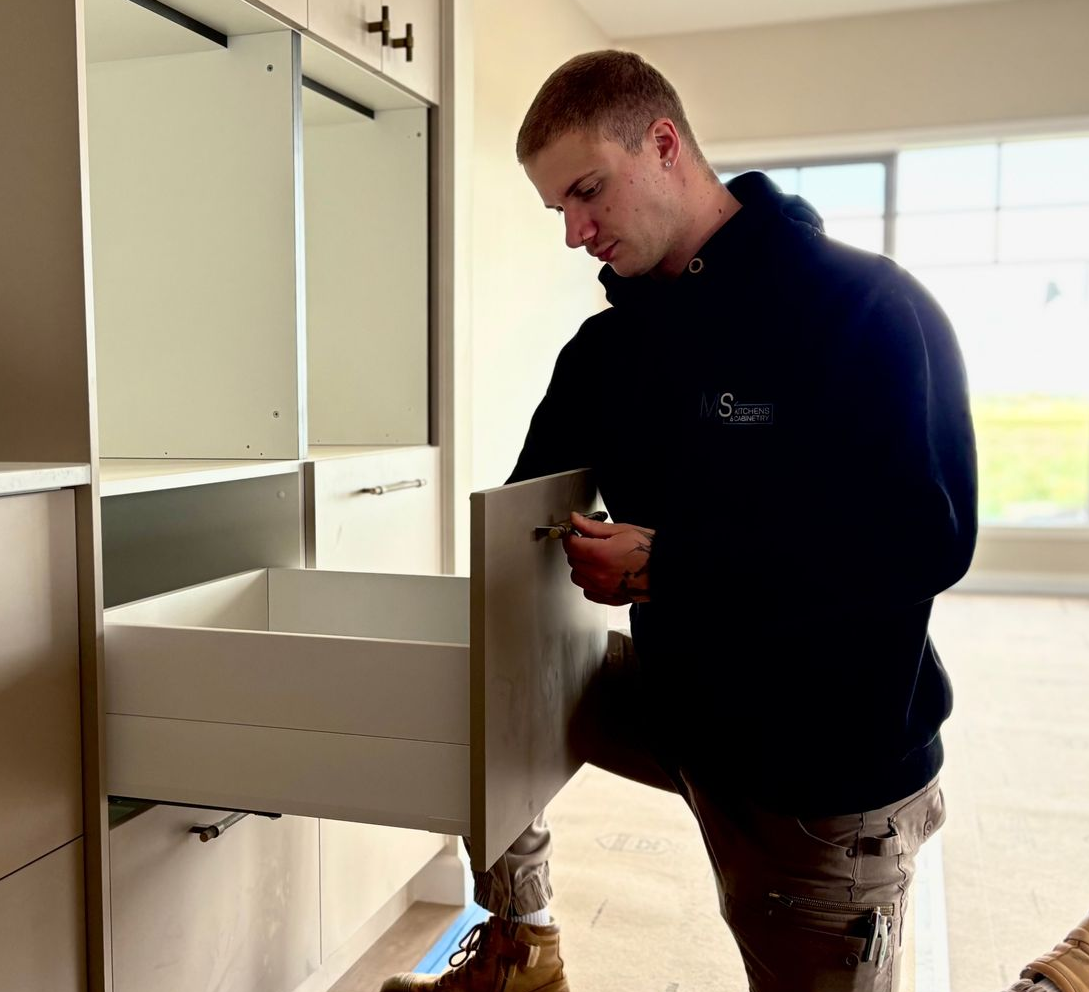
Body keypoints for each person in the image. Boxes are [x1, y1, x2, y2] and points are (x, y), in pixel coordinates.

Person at [377, 50, 1064, 992]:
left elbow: (924, 539)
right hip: (677, 705)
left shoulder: (866, 309)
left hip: (824, 773)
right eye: (558, 212)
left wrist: (672, 565)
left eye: (588, 193)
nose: (575, 232)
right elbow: (526, 506)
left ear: (664, 145)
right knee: (470, 695)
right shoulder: (609, 350)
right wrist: (504, 589)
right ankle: (520, 947)